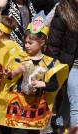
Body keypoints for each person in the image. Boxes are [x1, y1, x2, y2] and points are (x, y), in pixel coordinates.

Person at [0, 11, 69, 133]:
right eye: (25, 43)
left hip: (36, 107)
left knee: (33, 131)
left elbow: (54, 85)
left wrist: (43, 84)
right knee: (15, 130)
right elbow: (10, 78)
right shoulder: (20, 58)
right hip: (18, 104)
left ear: (41, 43)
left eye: (30, 43)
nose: (27, 46)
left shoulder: (49, 63)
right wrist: (11, 73)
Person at [45, 0, 78, 128]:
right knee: (76, 104)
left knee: (69, 101)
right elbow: (53, 44)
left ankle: (59, 126)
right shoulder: (63, 10)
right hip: (71, 65)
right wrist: (54, 69)